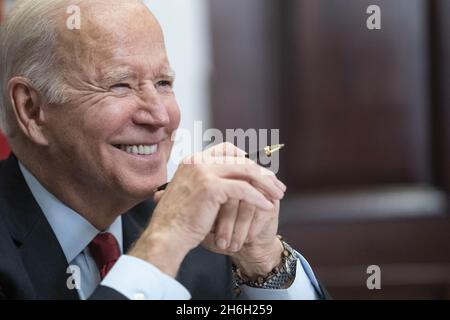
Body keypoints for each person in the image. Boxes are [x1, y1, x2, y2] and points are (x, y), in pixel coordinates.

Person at [0, 0, 327, 300]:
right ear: (31, 109)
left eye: (163, 84)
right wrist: (163, 244)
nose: (160, 116)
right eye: (121, 85)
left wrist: (264, 263)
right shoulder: (176, 231)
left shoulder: (203, 240)